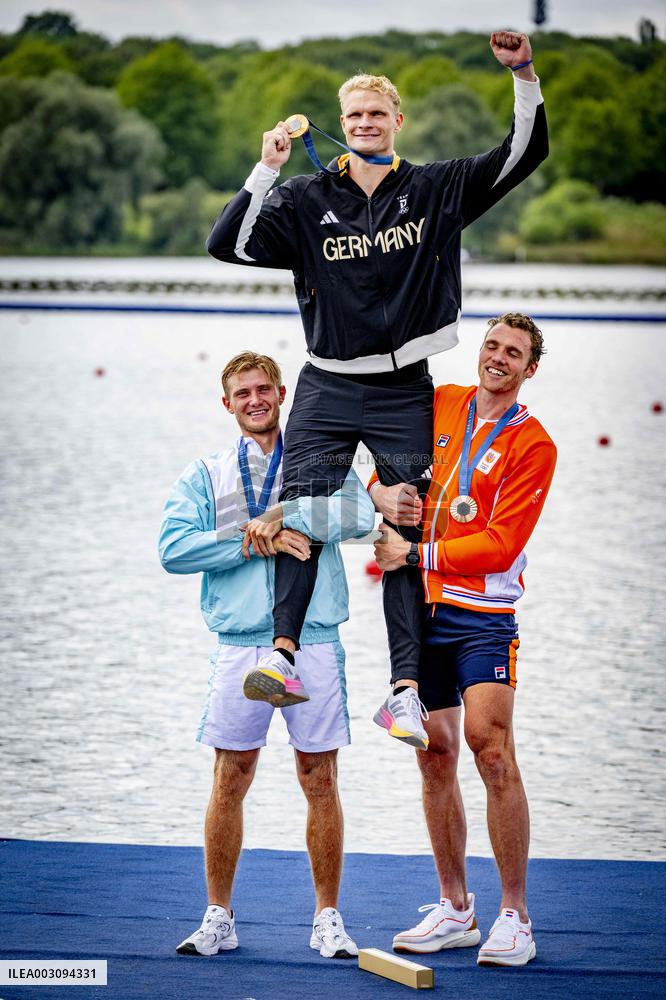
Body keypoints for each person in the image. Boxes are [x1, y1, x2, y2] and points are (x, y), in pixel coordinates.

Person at [206, 32, 548, 748]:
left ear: (397, 123)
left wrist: (522, 72)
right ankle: (282, 654)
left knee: (405, 526)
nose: (364, 124)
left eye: (376, 115)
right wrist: (266, 168)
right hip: (327, 383)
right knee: (295, 508)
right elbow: (228, 243)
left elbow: (523, 155)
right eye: (354, 115)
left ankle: (403, 693)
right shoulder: (305, 197)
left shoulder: (434, 188)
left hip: (401, 388)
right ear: (342, 121)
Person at [159, 351, 375, 959]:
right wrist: (252, 539)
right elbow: (173, 549)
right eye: (241, 393)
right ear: (225, 403)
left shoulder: (321, 454)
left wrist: (289, 514)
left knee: (320, 777)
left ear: (282, 393)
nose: (255, 401)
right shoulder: (206, 473)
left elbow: (360, 514)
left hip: (313, 641)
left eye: (263, 390)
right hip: (240, 643)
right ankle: (218, 917)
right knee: (231, 776)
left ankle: (327, 918)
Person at [372, 314, 557, 967]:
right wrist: (381, 491)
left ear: (530, 368)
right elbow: (384, 455)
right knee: (433, 754)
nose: (498, 358)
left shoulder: (535, 444)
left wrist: (413, 552)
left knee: (491, 748)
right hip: (421, 612)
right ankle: (455, 909)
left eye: (514, 352)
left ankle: (516, 917)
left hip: (481, 615)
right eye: (492, 346)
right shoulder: (443, 403)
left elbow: (501, 543)